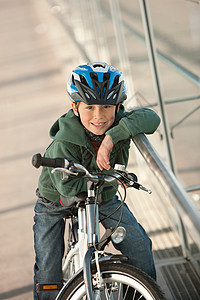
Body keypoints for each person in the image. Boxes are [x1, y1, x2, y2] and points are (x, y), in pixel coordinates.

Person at [33, 62, 160, 299]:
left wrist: (114, 136)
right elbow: (68, 188)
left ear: (118, 106)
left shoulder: (118, 122)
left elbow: (151, 118)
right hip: (56, 201)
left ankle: (143, 294)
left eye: (107, 106)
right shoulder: (65, 142)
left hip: (102, 194)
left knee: (139, 245)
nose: (99, 116)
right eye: (89, 107)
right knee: (48, 268)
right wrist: (109, 178)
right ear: (75, 107)